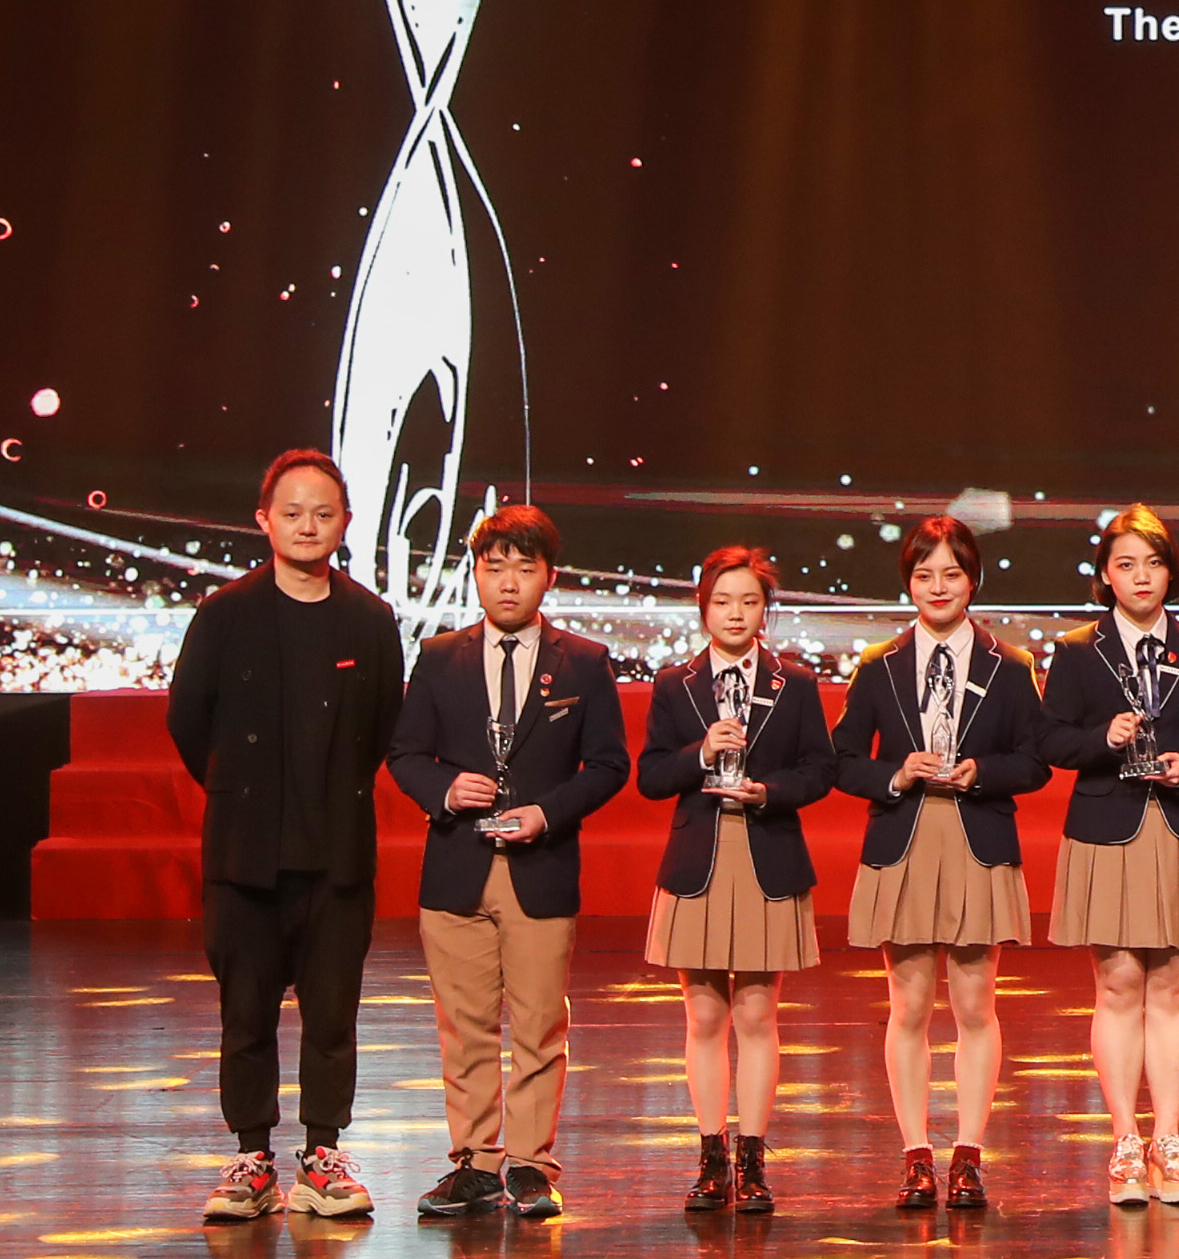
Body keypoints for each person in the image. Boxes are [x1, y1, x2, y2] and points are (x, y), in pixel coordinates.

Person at [167, 448, 405, 1224]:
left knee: (332, 1015)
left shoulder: (370, 619)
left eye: (323, 513)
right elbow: (188, 719)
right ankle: (251, 1158)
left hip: (336, 852)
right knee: (246, 1013)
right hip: (244, 854)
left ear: (345, 523)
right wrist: (239, 790)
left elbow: (383, 727)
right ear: (263, 520)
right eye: (293, 512)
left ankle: (323, 1155)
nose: (307, 526)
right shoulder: (224, 614)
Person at [386, 502, 631, 1221]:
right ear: (476, 574)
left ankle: (529, 1163)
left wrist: (546, 813)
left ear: (549, 576)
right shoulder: (441, 657)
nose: (509, 583)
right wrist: (444, 789)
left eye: (525, 568)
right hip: (456, 865)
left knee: (538, 1024)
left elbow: (609, 764)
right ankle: (474, 1161)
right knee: (463, 1026)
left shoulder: (583, 661)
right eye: (495, 568)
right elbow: (405, 754)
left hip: (540, 866)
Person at [832, 514, 1052, 1216]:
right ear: (909, 582)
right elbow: (842, 760)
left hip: (976, 836)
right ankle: (916, 1156)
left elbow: (1036, 761)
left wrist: (982, 772)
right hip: (903, 837)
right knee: (907, 1007)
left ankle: (968, 1156)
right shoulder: (878, 665)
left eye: (951, 574)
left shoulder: (1010, 665)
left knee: (975, 1005)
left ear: (972, 581)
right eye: (924, 575)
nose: (937, 587)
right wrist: (895, 775)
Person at [1041, 505, 1179, 1211]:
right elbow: (1051, 742)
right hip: (1106, 827)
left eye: (1153, 563)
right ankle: (1125, 1140)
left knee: (1173, 987)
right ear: (1105, 575)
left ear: (1170, 573)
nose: (1141, 577)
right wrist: (1104, 737)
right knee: (1119, 984)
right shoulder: (1076, 650)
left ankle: (1170, 1138)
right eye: (1125, 564)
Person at [642, 544, 833, 1217]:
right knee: (703, 1016)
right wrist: (700, 753)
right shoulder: (675, 684)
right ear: (703, 607)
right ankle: (710, 1158)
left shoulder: (795, 684)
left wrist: (768, 792)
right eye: (723, 601)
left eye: (749, 601)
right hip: (698, 857)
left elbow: (819, 771)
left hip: (765, 854)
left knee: (755, 1014)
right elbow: (650, 776)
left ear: (765, 610)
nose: (735, 613)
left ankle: (753, 1160)